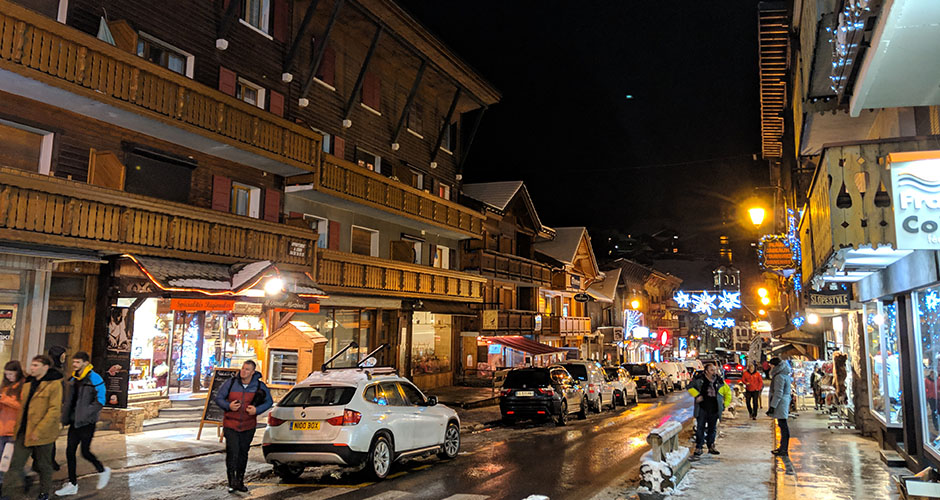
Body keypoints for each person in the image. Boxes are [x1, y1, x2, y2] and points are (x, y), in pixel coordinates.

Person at [2, 355, 62, 500]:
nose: (32, 368)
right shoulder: (28, 384)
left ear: (45, 367)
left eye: (36, 365)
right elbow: (22, 408)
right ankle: (5, 494)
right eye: (32, 365)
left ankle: (44, 492)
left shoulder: (54, 385)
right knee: (15, 464)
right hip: (24, 431)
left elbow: (54, 410)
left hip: (43, 434)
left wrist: (39, 430)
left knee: (43, 465)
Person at [54, 352, 109, 496]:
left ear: (85, 363)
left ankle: (102, 470)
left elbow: (101, 400)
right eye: (74, 362)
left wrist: (87, 413)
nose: (74, 364)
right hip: (74, 422)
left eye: (77, 362)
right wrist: (64, 417)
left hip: (87, 423)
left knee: (85, 452)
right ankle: (72, 484)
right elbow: (70, 400)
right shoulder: (73, 378)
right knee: (69, 452)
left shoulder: (94, 378)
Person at [215, 361, 272, 493]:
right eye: (242, 369)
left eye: (247, 370)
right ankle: (232, 482)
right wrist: (228, 406)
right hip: (231, 424)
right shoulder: (230, 383)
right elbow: (219, 398)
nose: (243, 372)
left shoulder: (258, 385)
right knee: (232, 452)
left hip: (248, 426)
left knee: (242, 453)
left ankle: (240, 481)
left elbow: (269, 401)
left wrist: (257, 410)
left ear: (253, 372)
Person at [688, 363, 732, 457]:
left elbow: (727, 392)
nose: (714, 372)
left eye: (715, 370)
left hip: (714, 408)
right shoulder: (699, 380)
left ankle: (711, 445)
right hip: (702, 408)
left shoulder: (719, 381)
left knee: (712, 429)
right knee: (700, 428)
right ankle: (699, 447)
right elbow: (689, 387)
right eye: (712, 370)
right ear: (706, 371)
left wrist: (725, 404)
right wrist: (697, 395)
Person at [0, 361, 24, 489]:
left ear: (17, 373)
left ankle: (6, 488)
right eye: (6, 374)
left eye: (11, 374)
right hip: (2, 428)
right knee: (2, 462)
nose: (8, 377)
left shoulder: (23, 386)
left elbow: (21, 406)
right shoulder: (4, 386)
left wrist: (4, 399)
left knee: (7, 462)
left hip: (13, 430)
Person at [767, 357, 793, 457]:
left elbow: (778, 392)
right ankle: (782, 448)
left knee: (783, 426)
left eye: (771, 365)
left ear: (775, 366)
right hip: (783, 402)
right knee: (783, 426)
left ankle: (783, 449)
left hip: (780, 403)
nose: (770, 367)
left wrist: (772, 406)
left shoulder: (779, 376)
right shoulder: (784, 374)